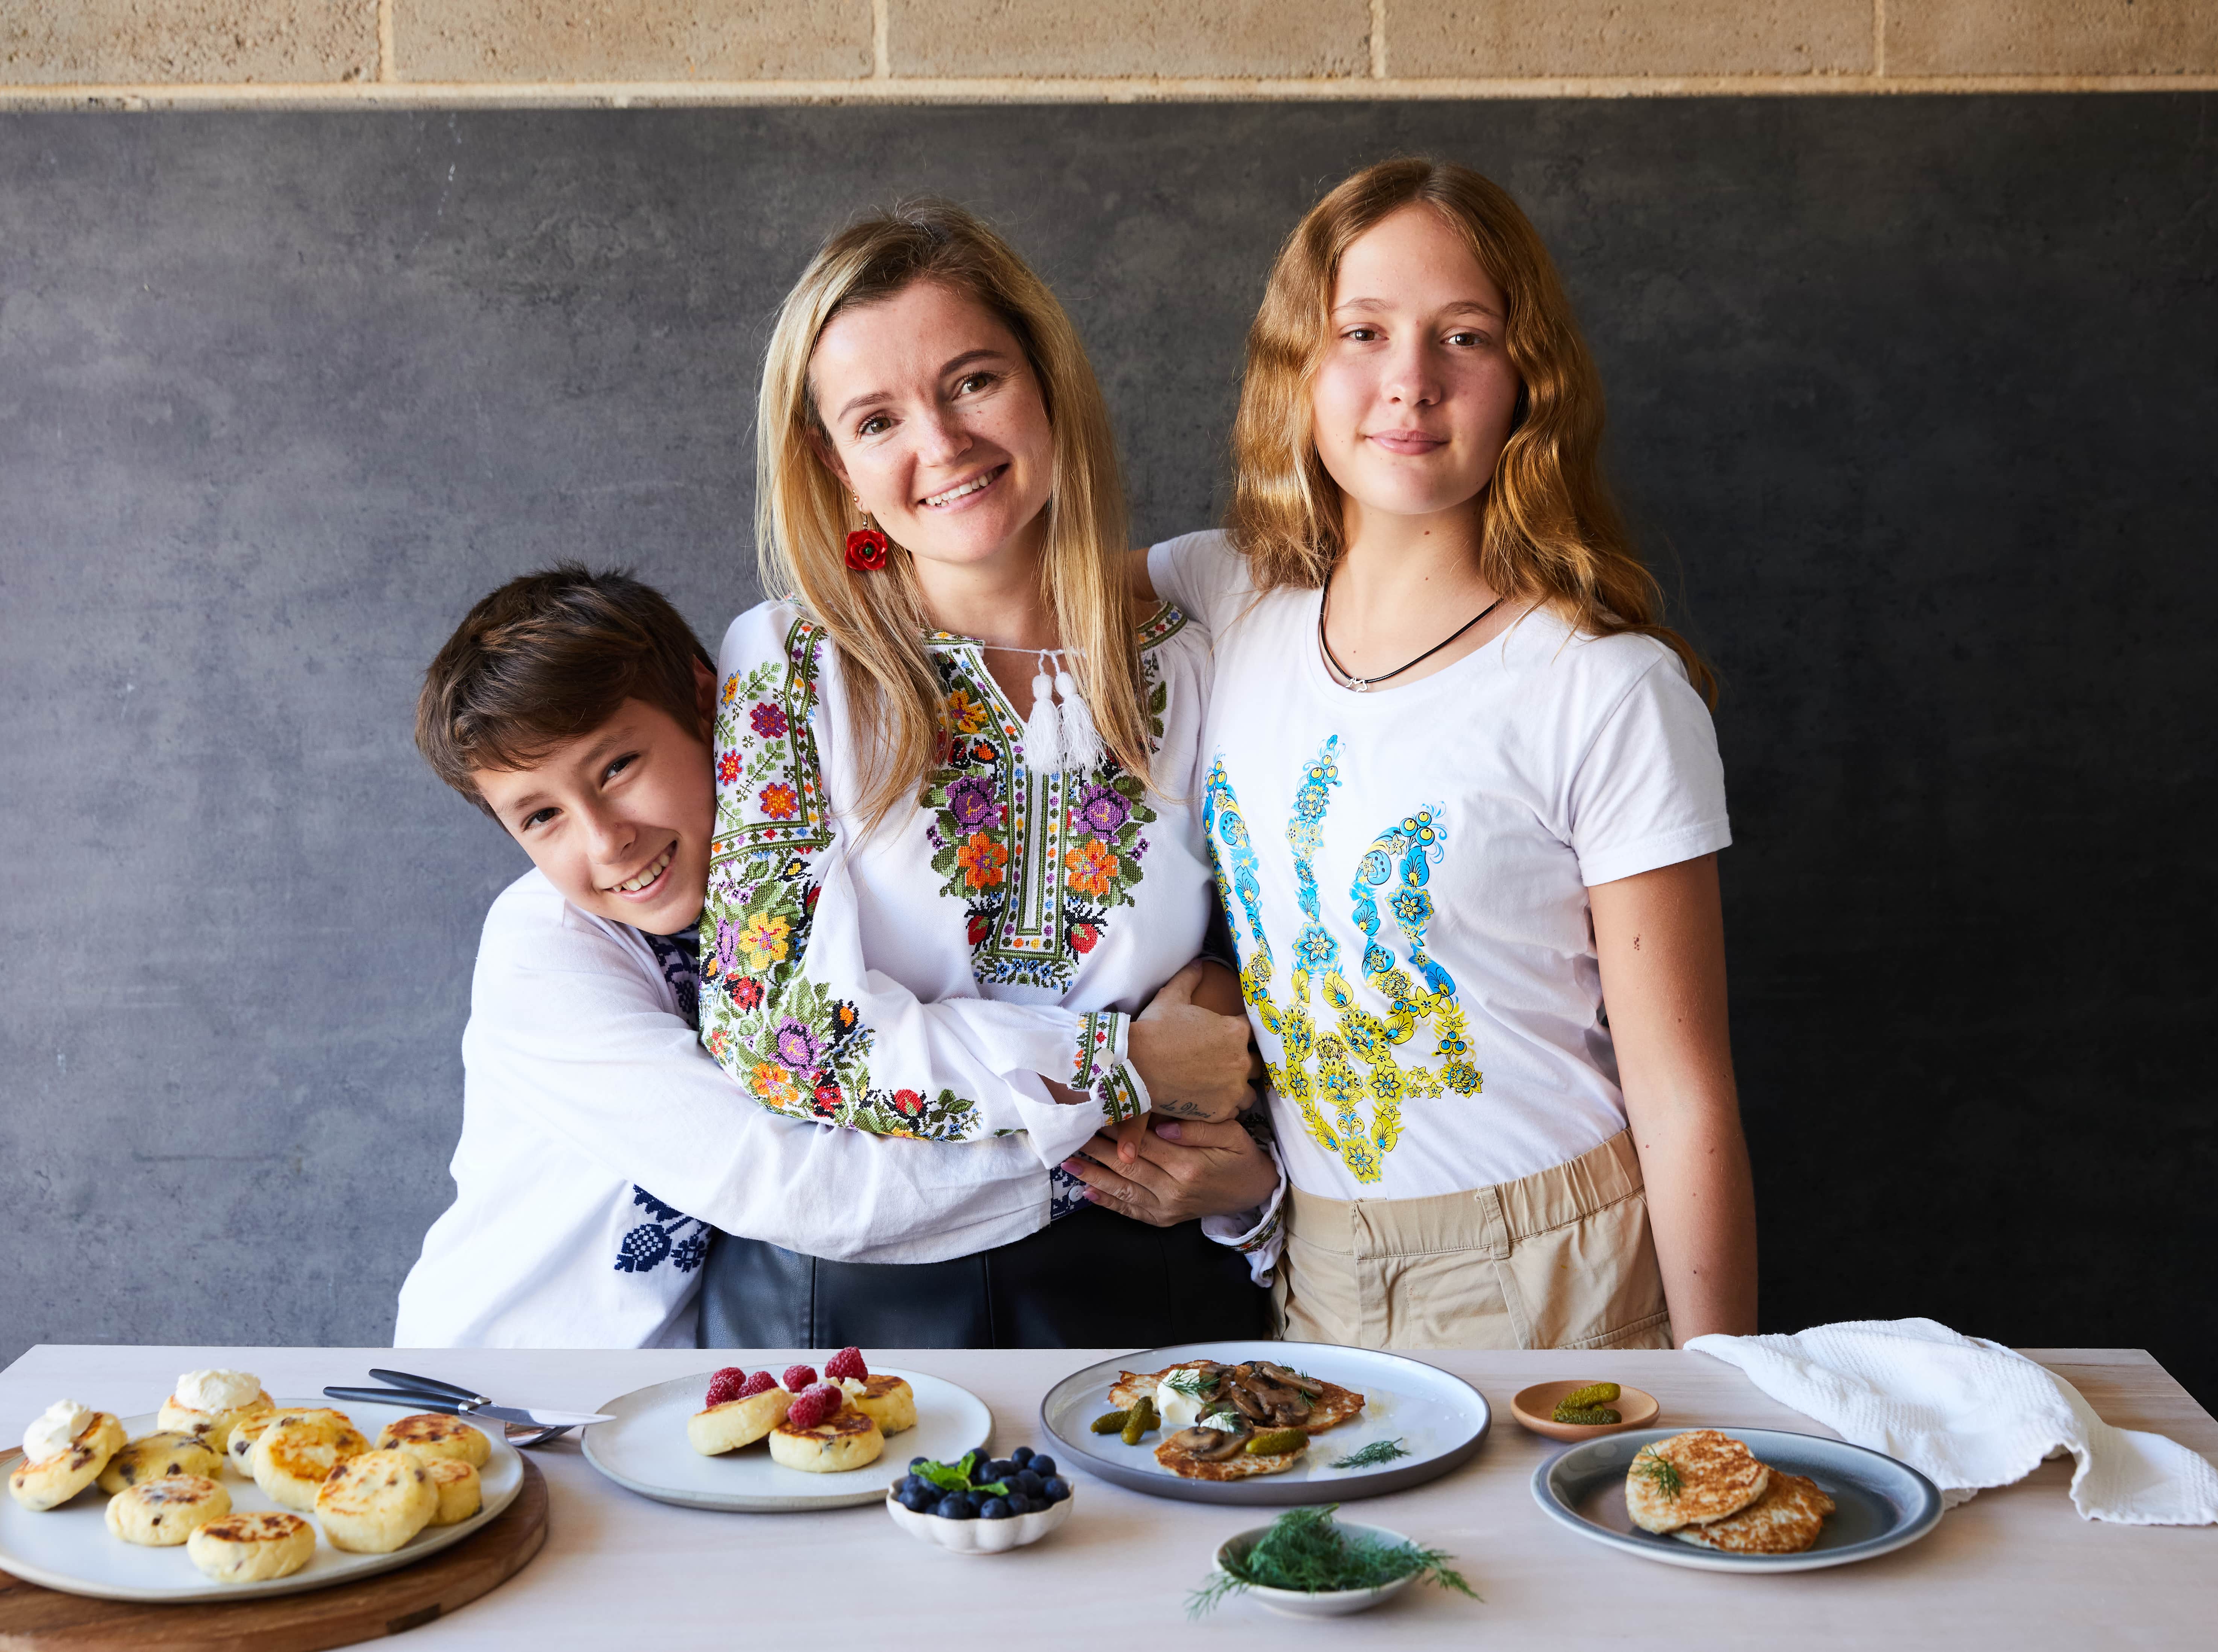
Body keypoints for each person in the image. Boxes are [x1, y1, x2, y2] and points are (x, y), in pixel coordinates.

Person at [1140, 158, 1758, 1350]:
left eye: (1461, 336)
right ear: (1298, 370)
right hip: (1312, 1258)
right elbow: (1007, 588)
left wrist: (1719, 1384)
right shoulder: (1228, 596)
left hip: (1555, 1269)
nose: (1407, 383)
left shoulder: (1604, 687)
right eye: (1360, 332)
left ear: (1525, 378)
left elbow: (1682, 1096)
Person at [391, 566, 1274, 1347]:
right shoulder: (544, 950)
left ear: (713, 703)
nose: (606, 840)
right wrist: (1124, 1097)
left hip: (676, 1389)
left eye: (617, 766)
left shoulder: (826, 883)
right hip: (502, 1378)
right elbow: (796, 1182)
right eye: (540, 817)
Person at [694, 200, 1281, 1346]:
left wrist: (1220, 1057)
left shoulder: (1197, 652)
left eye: (971, 382)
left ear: (1046, 382)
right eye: (877, 420)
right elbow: (777, 1027)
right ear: (834, 466)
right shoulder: (791, 660)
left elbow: (1261, 963)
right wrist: (1120, 1061)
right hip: (858, 1301)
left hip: (1154, 1277)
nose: (942, 444)